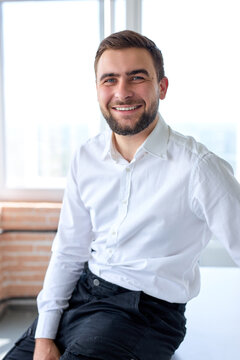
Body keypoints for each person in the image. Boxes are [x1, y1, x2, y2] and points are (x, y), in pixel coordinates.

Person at [3, 30, 240, 360]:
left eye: (137, 77)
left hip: (146, 312)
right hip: (82, 296)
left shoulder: (199, 168)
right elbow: (69, 252)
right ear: (98, 90)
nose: (122, 92)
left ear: (162, 87)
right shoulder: (86, 158)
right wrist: (44, 336)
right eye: (109, 80)